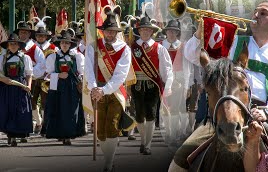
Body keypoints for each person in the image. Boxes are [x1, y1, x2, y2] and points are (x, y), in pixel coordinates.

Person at [184, 1, 268, 147]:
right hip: (226, 112)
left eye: (263, 13)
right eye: (255, 12)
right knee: (181, 157)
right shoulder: (233, 42)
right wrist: (199, 32)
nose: (256, 15)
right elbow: (192, 55)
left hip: (267, 118)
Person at [85, 13, 133, 172]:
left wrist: (104, 90)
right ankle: (108, 158)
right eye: (107, 30)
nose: (110, 34)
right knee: (100, 129)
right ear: (102, 31)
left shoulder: (124, 49)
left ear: (117, 32)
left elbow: (121, 74)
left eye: (113, 31)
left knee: (112, 126)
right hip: (96, 90)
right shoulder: (93, 46)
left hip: (115, 92)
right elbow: (89, 69)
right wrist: (94, 88)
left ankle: (109, 162)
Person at [131, 15, 173, 155]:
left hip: (152, 85)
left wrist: (168, 86)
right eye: (143, 29)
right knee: (138, 115)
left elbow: (166, 69)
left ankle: (147, 145)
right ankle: (143, 139)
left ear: (152, 31)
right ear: (139, 31)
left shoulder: (159, 48)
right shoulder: (132, 47)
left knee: (151, 115)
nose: (145, 32)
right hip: (136, 85)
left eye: (148, 30)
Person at [43, 30, 86, 145]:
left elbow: (82, 72)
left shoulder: (78, 56)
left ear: (71, 44)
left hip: (72, 86)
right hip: (57, 86)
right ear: (59, 44)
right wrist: (58, 75)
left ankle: (69, 135)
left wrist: (81, 81)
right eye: (62, 43)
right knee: (58, 109)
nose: (64, 44)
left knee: (71, 110)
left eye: (67, 43)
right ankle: (59, 133)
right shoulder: (53, 57)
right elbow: (46, 75)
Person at [161, 19, 191, 145]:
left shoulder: (182, 46)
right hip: (163, 79)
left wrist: (187, 84)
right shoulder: (161, 45)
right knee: (165, 107)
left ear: (177, 33)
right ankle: (168, 132)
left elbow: (187, 66)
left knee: (175, 108)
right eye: (169, 31)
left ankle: (173, 135)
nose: (171, 33)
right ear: (166, 32)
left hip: (179, 79)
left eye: (174, 31)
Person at [0, 34, 33, 146]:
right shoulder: (2, 58)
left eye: (15, 44)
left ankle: (17, 134)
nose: (13, 46)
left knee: (21, 110)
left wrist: (28, 86)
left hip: (20, 87)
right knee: (8, 111)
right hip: (7, 87)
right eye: (11, 44)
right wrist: (4, 79)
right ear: (8, 46)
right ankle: (11, 135)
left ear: (19, 45)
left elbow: (29, 74)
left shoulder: (25, 57)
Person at [16, 21, 46, 140]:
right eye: (21, 32)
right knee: (27, 104)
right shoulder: (15, 46)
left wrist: (31, 73)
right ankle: (37, 122)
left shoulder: (35, 48)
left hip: (33, 79)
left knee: (33, 103)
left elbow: (42, 64)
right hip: (18, 80)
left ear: (29, 34)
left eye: (25, 32)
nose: (23, 34)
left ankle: (39, 124)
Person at [34, 23, 59, 134]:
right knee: (32, 101)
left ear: (46, 37)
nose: (40, 37)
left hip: (47, 79)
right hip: (34, 78)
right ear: (36, 37)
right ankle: (38, 122)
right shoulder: (31, 47)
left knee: (45, 103)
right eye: (38, 35)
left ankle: (45, 124)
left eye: (42, 36)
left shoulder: (53, 48)